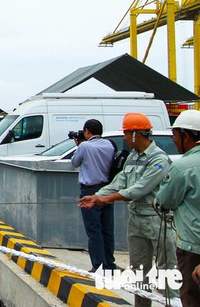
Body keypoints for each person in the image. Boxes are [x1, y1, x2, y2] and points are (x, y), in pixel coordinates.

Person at [79, 112, 178, 306]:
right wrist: (97, 196)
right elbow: (120, 181)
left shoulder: (159, 159)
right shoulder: (132, 157)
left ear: (135, 134)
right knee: (139, 271)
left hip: (157, 221)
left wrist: (105, 199)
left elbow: (139, 189)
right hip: (137, 220)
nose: (124, 137)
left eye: (126, 133)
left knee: (166, 271)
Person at [155, 109, 200, 306]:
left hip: (192, 249)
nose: (173, 139)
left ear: (186, 135)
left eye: (174, 134)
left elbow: (164, 200)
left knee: (191, 298)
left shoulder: (182, 167)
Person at [71, 119, 118, 272]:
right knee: (107, 229)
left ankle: (98, 265)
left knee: (93, 229)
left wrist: (78, 145)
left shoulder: (84, 146)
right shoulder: (109, 144)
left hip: (89, 191)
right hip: (107, 190)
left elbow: (74, 162)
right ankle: (109, 264)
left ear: (87, 131)